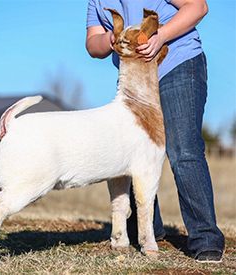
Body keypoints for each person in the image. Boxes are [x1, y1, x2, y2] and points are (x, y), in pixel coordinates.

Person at [86, 0, 225, 262]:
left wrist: (160, 36)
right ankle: (149, 229)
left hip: (177, 63)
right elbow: (92, 43)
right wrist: (111, 38)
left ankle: (205, 237)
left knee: (183, 149)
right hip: (134, 76)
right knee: (128, 153)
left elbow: (198, 6)